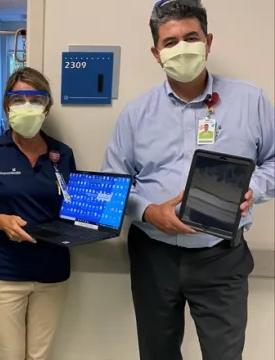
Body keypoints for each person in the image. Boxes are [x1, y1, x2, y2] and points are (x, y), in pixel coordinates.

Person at [102, 1, 274, 360]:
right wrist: (149, 212)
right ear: (156, 52)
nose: (182, 48)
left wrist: (253, 189)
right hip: (153, 255)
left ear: (208, 41)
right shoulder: (136, 113)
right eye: (170, 42)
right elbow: (112, 181)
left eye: (191, 37)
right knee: (157, 353)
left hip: (221, 257)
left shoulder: (250, 101)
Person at [0, 67, 76, 360]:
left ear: (47, 107)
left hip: (52, 272)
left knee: (40, 355)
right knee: (9, 355)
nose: (26, 106)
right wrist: (0, 221)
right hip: (4, 273)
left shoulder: (62, 154)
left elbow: (70, 208)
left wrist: (93, 222)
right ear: (6, 105)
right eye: (18, 99)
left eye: (35, 99)